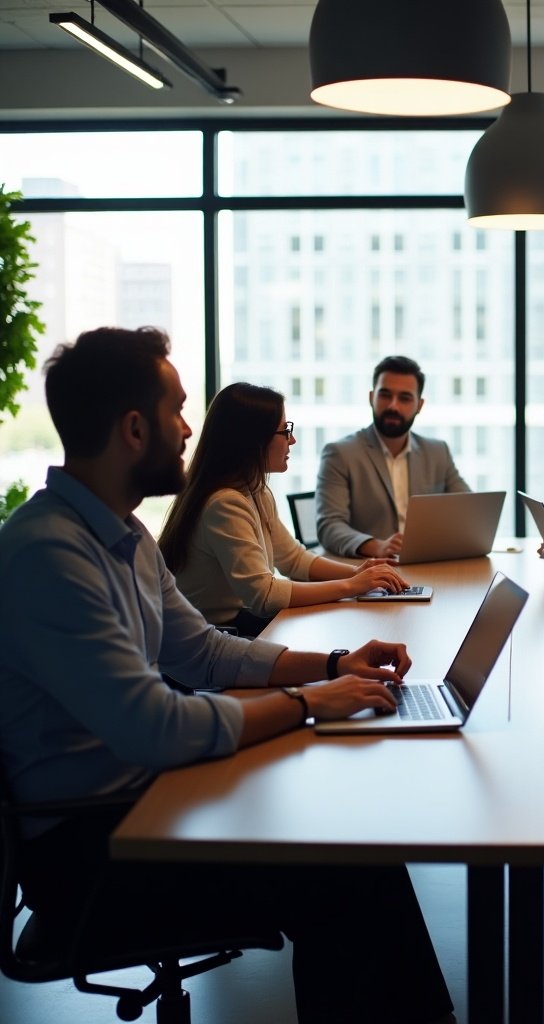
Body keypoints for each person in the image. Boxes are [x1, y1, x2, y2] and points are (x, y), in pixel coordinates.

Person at [0, 327, 453, 1024]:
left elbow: (206, 654)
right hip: (95, 855)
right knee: (349, 873)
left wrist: (333, 664)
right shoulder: (49, 555)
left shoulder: (120, 536)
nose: (188, 428)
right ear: (132, 428)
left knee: (355, 851)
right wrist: (309, 702)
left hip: (148, 804)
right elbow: (156, 723)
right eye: (176, 410)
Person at [159, 382, 408, 636]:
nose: (292, 439)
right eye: (284, 431)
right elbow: (264, 596)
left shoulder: (256, 492)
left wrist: (358, 573)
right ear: (254, 440)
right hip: (213, 638)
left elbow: (293, 560)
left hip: (236, 624)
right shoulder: (224, 503)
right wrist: (351, 585)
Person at [316, 354, 469, 559]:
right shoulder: (340, 454)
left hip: (429, 564)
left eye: (404, 398)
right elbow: (329, 525)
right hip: (371, 571)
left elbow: (468, 512)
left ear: (419, 405)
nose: (393, 406)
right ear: (372, 398)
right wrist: (376, 546)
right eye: (385, 395)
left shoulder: (437, 452)